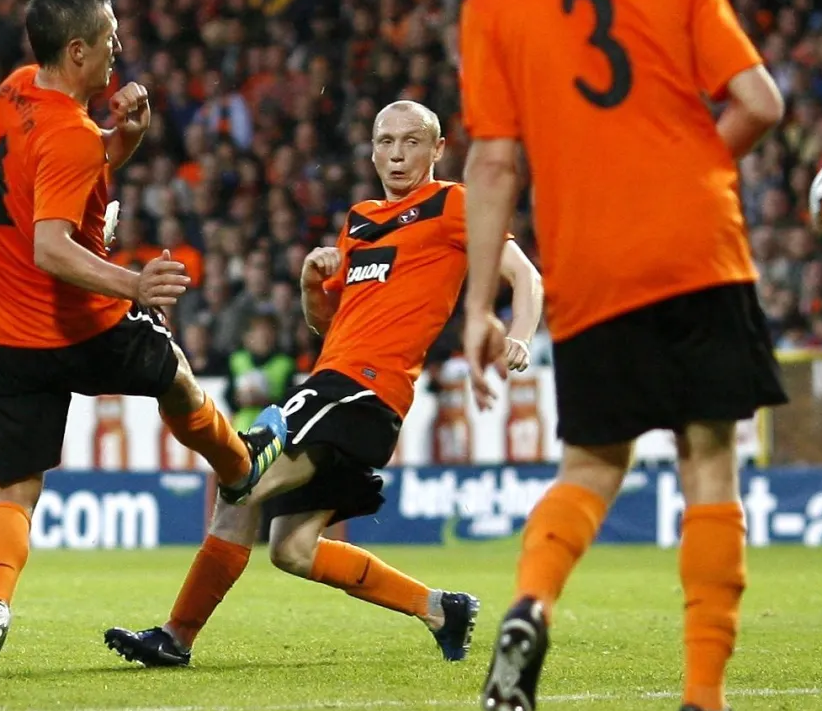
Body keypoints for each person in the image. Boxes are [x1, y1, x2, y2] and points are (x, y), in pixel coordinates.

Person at [458, 0, 786, 711]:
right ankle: (704, 701)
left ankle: (530, 604)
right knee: (708, 457)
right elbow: (760, 102)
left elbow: (493, 164)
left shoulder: (493, 3)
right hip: (698, 249)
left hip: (591, 264)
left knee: (593, 462)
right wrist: (697, 169)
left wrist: (478, 305)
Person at [103, 100, 543, 669]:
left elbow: (525, 274)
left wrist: (521, 334)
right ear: (372, 151)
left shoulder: (453, 203)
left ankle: (176, 637)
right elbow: (328, 326)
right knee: (292, 549)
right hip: (338, 385)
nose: (397, 154)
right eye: (385, 142)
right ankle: (440, 609)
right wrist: (312, 285)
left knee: (241, 480)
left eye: (411, 142)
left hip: (361, 389)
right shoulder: (360, 220)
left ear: (437, 149)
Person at [0, 0, 287, 682]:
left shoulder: (13, 91)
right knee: (175, 376)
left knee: (12, 494)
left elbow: (68, 169)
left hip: (0, 332)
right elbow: (51, 245)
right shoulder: (70, 134)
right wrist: (134, 284)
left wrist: (121, 137)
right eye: (109, 38)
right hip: (78, 323)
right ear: (77, 50)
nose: (118, 49)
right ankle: (239, 466)